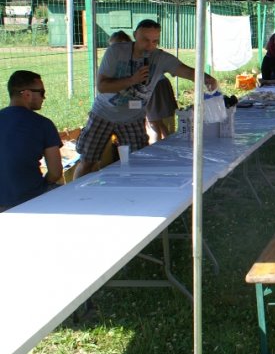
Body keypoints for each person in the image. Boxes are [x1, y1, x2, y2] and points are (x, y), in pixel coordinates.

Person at [74, 19, 217, 178]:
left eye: (155, 41)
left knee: (138, 162)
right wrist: (132, 80)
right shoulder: (115, 52)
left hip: (133, 118)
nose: (150, 46)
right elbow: (102, 86)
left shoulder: (161, 58)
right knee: (87, 162)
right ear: (135, 35)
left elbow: (187, 71)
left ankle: (133, 192)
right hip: (103, 114)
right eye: (145, 40)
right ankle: (75, 193)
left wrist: (207, 78)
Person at [0, 71, 63, 211]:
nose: (44, 97)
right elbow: (55, 172)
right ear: (27, 94)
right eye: (41, 92)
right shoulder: (43, 124)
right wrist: (44, 185)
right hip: (29, 200)